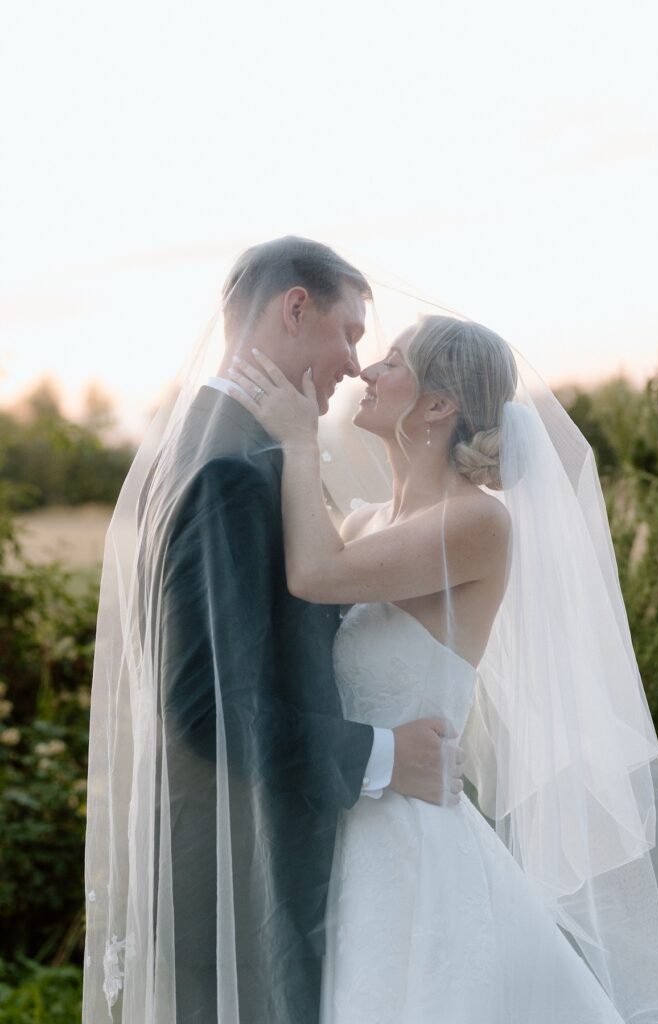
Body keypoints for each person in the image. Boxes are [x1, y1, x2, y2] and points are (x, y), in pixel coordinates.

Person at [228, 312, 658, 1022]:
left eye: (392, 362)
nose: (366, 373)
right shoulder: (362, 522)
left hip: (412, 847)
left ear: (439, 404)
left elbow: (314, 574)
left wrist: (296, 441)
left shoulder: (478, 523)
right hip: (350, 818)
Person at [82, 238, 466, 1024]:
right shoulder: (230, 467)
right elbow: (205, 706)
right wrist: (388, 756)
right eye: (351, 332)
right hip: (242, 877)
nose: (354, 363)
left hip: (253, 856)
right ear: (296, 307)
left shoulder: (222, 443)